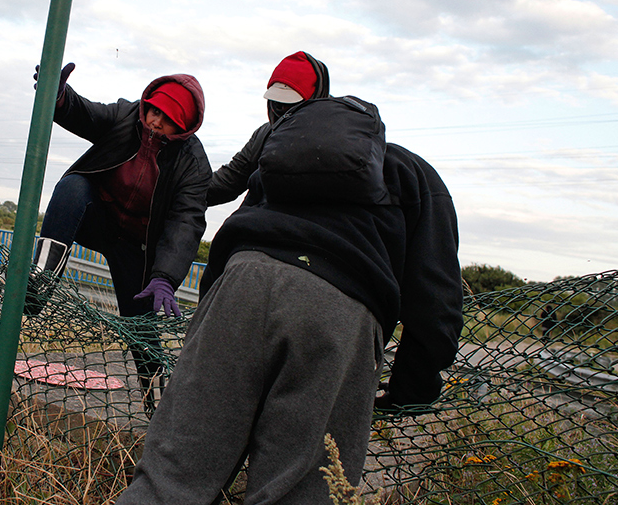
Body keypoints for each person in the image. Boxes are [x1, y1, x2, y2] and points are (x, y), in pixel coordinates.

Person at [117, 52, 463, 504]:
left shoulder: (276, 160)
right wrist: (410, 388)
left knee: (169, 482)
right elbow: (436, 300)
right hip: (341, 313)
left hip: (240, 286)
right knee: (298, 494)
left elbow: (230, 239)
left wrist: (212, 319)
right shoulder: (413, 172)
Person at [27, 63, 210, 415]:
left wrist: (164, 277)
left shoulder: (193, 164)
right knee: (73, 186)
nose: (155, 121)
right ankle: (39, 282)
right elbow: (86, 114)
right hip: (97, 218)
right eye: (154, 110)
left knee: (141, 330)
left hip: (135, 247)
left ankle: (156, 406)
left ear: (184, 127)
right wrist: (60, 97)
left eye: (168, 118)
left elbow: (186, 222)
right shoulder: (127, 116)